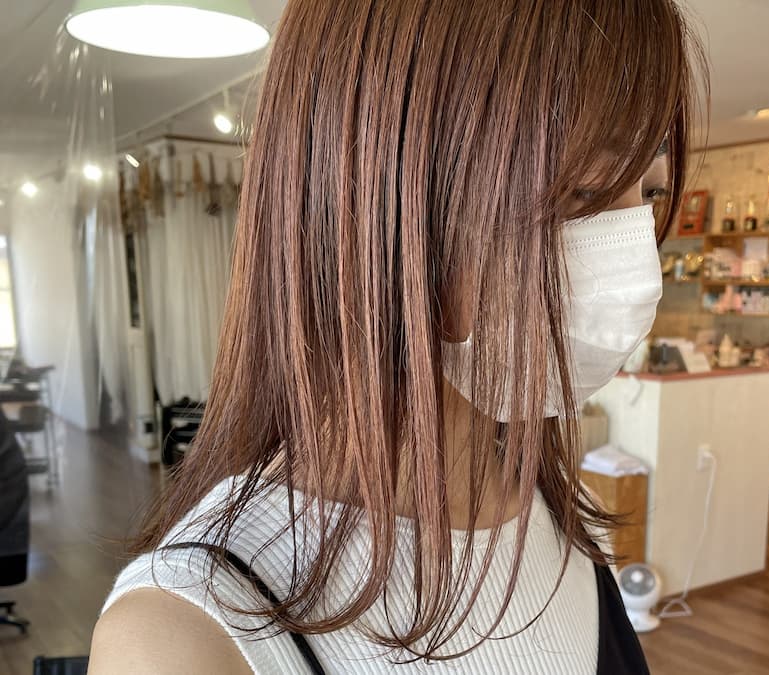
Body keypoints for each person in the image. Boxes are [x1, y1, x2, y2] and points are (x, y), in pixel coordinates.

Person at [90, 1, 703, 672]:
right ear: (373, 197)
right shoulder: (187, 636)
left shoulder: (556, 507)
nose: (634, 265)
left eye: (649, 192)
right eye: (581, 192)